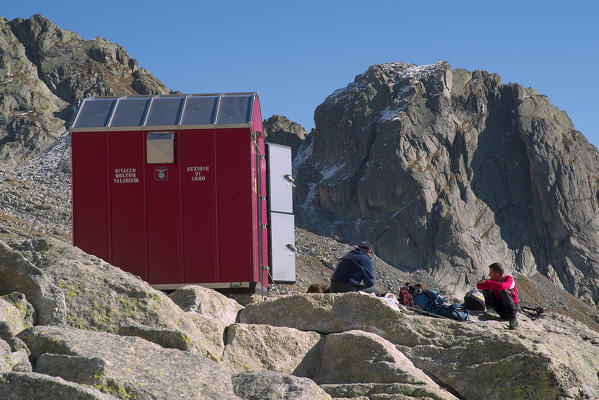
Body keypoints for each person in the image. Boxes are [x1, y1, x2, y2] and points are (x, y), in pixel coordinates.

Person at [477, 262, 519, 330]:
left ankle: (513, 320)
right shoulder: (493, 281)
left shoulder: (509, 280)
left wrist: (487, 282)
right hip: (499, 310)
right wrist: (489, 283)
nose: (489, 274)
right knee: (486, 288)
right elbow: (479, 285)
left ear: (497, 274)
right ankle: (491, 310)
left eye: (491, 272)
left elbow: (502, 287)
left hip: (510, 311)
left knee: (504, 291)